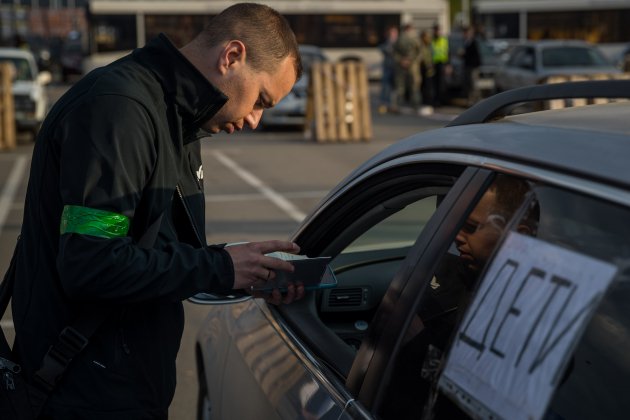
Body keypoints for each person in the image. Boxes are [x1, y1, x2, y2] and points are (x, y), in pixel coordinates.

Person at [8, 3, 305, 418]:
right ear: (232, 57)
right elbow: (91, 262)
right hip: (83, 395)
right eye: (261, 100)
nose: (256, 119)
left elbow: (155, 252)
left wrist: (244, 270)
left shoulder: (178, 118)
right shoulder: (119, 111)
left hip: (123, 388)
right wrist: (220, 267)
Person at [379, 174, 539, 420]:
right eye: (457, 223)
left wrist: (417, 341)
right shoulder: (444, 271)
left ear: (520, 235)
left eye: (471, 227)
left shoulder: (531, 315)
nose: (457, 236)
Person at [392, 24, 422, 113]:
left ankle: (400, 105)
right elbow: (419, 53)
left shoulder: (400, 39)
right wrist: (410, 61)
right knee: (412, 86)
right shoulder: (415, 39)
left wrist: (402, 60)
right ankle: (414, 105)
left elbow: (394, 53)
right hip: (411, 66)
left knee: (404, 86)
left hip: (405, 65)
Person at [378, 25, 398, 114]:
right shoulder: (387, 42)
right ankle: (384, 105)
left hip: (396, 69)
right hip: (387, 68)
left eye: (394, 33)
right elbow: (382, 49)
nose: (392, 34)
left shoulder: (398, 42)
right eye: (391, 33)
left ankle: (393, 106)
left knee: (395, 89)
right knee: (385, 87)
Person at [461, 25, 482, 106]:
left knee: (474, 84)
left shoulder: (473, 42)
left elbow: (476, 56)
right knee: (468, 84)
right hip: (467, 66)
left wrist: (464, 54)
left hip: (473, 67)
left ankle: (476, 101)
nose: (465, 34)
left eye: (467, 32)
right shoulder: (465, 42)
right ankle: (470, 100)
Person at [431, 24, 449, 107]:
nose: (437, 32)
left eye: (438, 30)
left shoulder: (444, 40)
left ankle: (441, 101)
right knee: (434, 83)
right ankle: (435, 101)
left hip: (442, 63)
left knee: (441, 84)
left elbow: (448, 53)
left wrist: (448, 65)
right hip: (434, 64)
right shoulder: (432, 40)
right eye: (435, 30)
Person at [419, 30, 435, 115]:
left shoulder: (429, 46)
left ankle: (429, 104)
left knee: (429, 88)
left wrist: (430, 65)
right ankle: (425, 104)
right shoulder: (421, 46)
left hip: (428, 70)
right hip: (423, 69)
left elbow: (431, 57)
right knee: (423, 88)